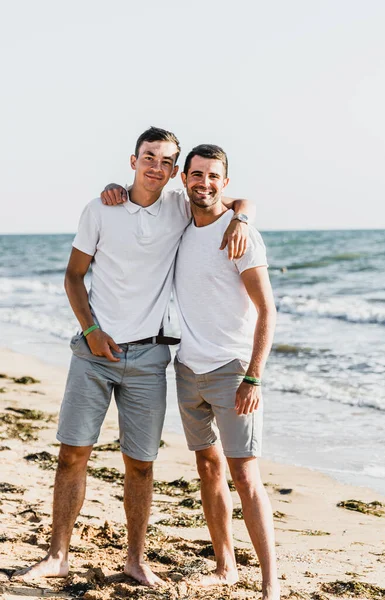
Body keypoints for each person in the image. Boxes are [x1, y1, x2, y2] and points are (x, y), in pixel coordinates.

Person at [13, 127, 254, 587]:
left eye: (167, 162)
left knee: (141, 463)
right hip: (93, 353)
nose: (156, 167)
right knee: (72, 455)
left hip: (150, 359)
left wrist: (243, 219)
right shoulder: (100, 208)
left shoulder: (181, 207)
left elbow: (233, 200)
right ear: (133, 160)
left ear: (176, 172)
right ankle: (57, 555)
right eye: (150, 157)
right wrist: (92, 331)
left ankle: (135, 560)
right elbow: (73, 277)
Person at [173, 144, 280, 600]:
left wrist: (254, 376)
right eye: (197, 175)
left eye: (214, 176)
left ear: (225, 182)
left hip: (232, 371)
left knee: (246, 475)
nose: (205, 183)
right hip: (186, 368)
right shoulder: (178, 220)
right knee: (207, 468)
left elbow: (267, 311)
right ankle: (225, 566)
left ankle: (270, 581)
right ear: (184, 178)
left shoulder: (240, 234)